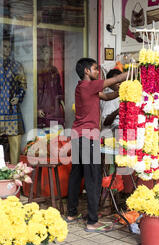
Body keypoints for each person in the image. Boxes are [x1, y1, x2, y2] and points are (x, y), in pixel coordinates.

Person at [66, 58, 127, 233]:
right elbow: (114, 80)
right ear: (86, 71)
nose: (97, 72)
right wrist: (131, 73)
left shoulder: (82, 87)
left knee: (76, 174)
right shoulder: (89, 85)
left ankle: (71, 214)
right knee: (93, 178)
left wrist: (122, 92)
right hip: (88, 136)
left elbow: (108, 96)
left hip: (78, 135)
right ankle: (92, 222)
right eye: (94, 69)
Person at [0, 36, 27, 164]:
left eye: (9, 47)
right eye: (4, 46)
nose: (7, 49)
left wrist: (18, 97)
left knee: (15, 144)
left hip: (12, 109)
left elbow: (23, 84)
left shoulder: (16, 65)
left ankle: (15, 176)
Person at [37, 45, 65, 129]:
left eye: (47, 52)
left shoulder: (54, 70)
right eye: (43, 52)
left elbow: (59, 88)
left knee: (54, 134)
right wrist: (37, 108)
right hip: (42, 106)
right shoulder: (37, 70)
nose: (45, 55)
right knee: (42, 134)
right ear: (39, 54)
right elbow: (34, 91)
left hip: (54, 107)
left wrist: (62, 103)